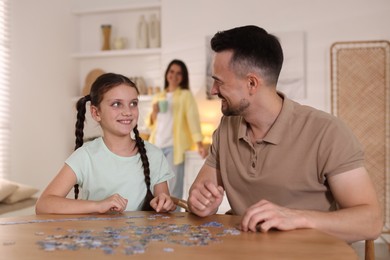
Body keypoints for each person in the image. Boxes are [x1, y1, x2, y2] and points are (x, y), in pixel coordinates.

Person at [187, 25, 383, 243]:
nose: (213, 90)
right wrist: (200, 203)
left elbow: (371, 221)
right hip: (243, 252)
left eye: (219, 81)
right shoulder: (226, 129)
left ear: (252, 83)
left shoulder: (327, 132)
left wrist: (297, 218)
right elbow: (201, 193)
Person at [36, 73, 176, 214]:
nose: (128, 112)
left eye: (133, 103)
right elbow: (43, 204)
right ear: (96, 113)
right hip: (95, 235)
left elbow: (162, 208)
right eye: (117, 104)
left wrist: (164, 204)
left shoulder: (154, 155)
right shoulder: (85, 156)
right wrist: (98, 205)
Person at [147, 59, 207, 199]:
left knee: (174, 187)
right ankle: (155, 218)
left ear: (183, 77)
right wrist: (154, 113)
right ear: (167, 74)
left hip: (174, 148)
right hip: (155, 146)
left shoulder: (185, 96)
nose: (174, 75)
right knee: (153, 186)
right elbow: (150, 124)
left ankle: (175, 219)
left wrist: (199, 144)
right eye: (172, 71)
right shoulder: (158, 96)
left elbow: (193, 120)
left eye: (179, 73)